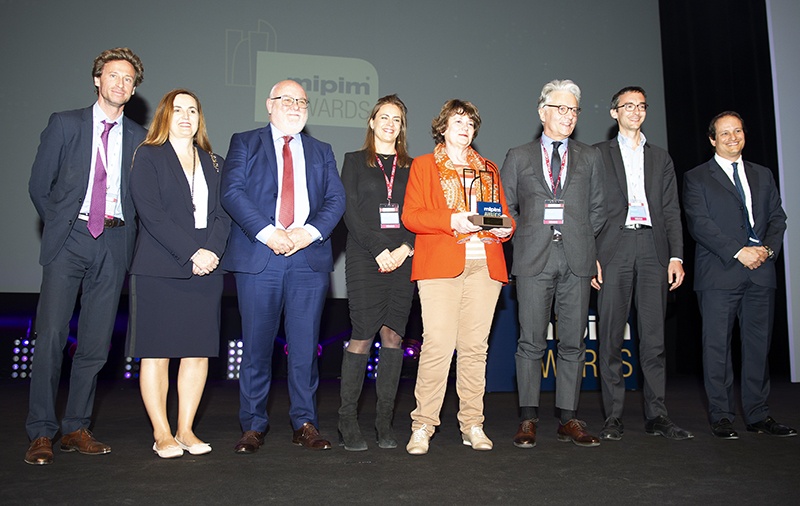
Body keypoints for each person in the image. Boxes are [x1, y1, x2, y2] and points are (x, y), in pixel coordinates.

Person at [25, 48, 146, 465]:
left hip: (114, 242)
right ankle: (42, 431)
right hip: (71, 237)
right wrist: (63, 225)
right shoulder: (65, 123)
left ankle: (76, 427)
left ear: (134, 89)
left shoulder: (140, 137)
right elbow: (39, 185)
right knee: (51, 336)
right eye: (113, 75)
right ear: (97, 79)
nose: (120, 84)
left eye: (128, 79)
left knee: (95, 343)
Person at [221, 79, 345, 453]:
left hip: (308, 260)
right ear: (269, 104)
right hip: (260, 258)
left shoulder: (322, 150)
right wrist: (267, 233)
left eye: (301, 101)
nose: (294, 106)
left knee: (305, 349)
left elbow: (336, 200)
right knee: (256, 348)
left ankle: (304, 423)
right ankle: (253, 425)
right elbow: (232, 192)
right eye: (286, 99)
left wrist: (309, 233)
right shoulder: (245, 142)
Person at [402, 99, 514, 455]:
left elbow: (504, 215)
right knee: (438, 344)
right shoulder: (423, 165)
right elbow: (411, 216)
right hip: (440, 265)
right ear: (443, 128)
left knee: (474, 348)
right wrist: (451, 220)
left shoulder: (489, 168)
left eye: (470, 123)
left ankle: (472, 424)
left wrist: (506, 228)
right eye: (458, 122)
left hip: (485, 265)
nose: (465, 128)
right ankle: (422, 425)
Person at [500, 79, 606, 449]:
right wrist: (527, 236)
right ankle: (528, 419)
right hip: (533, 259)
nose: (568, 115)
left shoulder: (590, 156)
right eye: (561, 108)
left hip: (577, 259)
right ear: (542, 111)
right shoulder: (519, 156)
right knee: (530, 342)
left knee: (573, 343)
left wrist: (582, 240)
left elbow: (598, 208)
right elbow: (506, 206)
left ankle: (568, 418)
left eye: (573, 109)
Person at [126, 89, 231, 458]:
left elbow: (224, 215)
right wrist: (192, 253)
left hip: (207, 270)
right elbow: (152, 215)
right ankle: (162, 432)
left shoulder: (215, 162)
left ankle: (186, 429)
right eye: (178, 110)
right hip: (159, 269)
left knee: (197, 353)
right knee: (157, 354)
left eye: (192, 110)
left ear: (200, 118)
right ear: (164, 116)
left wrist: (211, 252)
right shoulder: (148, 156)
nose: (186, 116)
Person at [683, 111, 795, 439]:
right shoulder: (696, 177)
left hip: (761, 272)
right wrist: (739, 251)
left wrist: (767, 250)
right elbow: (700, 224)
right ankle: (721, 415)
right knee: (717, 347)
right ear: (712, 140)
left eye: (738, 131)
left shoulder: (763, 174)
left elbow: (778, 218)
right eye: (725, 133)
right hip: (719, 273)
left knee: (758, 347)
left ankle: (758, 414)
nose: (733, 138)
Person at [592, 86, 693, 441]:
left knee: (653, 340)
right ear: (614, 112)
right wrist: (591, 257)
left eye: (641, 106)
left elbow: (671, 210)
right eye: (628, 106)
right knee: (610, 338)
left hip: (653, 248)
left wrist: (676, 255)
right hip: (613, 249)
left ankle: (657, 415)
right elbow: (588, 208)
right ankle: (613, 417)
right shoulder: (597, 154)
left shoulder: (661, 158)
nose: (635, 111)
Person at [338, 95, 415, 451]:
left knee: (394, 337)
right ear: (371, 122)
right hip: (365, 256)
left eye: (396, 119)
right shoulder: (354, 161)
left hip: (403, 258)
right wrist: (378, 249)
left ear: (402, 127)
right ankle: (347, 421)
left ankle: (384, 422)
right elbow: (349, 212)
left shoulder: (414, 167)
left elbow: (418, 213)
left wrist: (404, 248)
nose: (389, 124)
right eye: (384, 117)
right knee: (363, 336)